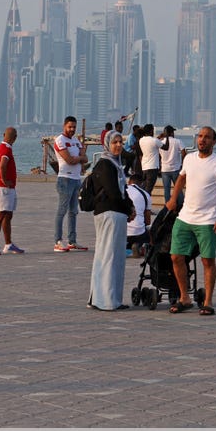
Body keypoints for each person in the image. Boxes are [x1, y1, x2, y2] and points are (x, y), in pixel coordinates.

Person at [166, 126, 216, 316]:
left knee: (207, 260)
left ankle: (208, 301)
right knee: (175, 257)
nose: (202, 140)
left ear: (214, 141)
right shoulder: (189, 158)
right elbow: (181, 178)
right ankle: (184, 297)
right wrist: (173, 198)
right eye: (200, 136)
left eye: (207, 137)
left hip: (208, 220)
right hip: (185, 217)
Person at [87, 131, 136, 311]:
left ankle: (104, 297)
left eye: (120, 142)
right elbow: (114, 193)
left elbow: (122, 191)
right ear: (107, 144)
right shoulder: (105, 165)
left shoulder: (115, 164)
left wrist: (129, 207)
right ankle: (107, 300)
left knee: (110, 256)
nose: (118, 145)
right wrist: (127, 209)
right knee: (109, 257)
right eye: (114, 142)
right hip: (109, 214)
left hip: (116, 214)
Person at [53, 116, 90, 252]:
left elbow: (85, 158)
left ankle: (72, 241)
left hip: (76, 180)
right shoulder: (60, 140)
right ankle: (58, 241)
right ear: (64, 126)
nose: (72, 130)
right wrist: (78, 158)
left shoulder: (75, 140)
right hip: (65, 179)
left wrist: (79, 158)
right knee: (62, 210)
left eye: (74, 127)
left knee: (74, 211)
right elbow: (69, 160)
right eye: (70, 127)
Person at [0, 127, 25, 256]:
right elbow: (3, 165)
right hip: (3, 188)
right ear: (15, 138)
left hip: (8, 188)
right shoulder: (5, 149)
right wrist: (5, 180)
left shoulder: (5, 148)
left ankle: (8, 244)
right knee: (1, 215)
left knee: (8, 215)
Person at [125, 171, 153, 258]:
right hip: (138, 232)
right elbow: (147, 220)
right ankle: (138, 245)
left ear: (129, 182)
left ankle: (126, 247)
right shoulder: (145, 195)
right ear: (141, 184)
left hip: (122, 232)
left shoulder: (123, 190)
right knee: (148, 232)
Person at [159, 125, 186, 203]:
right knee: (178, 188)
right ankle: (181, 205)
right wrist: (182, 164)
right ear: (171, 133)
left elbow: (158, 155)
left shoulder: (161, 143)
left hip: (164, 169)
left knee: (166, 190)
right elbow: (184, 153)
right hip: (175, 168)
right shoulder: (178, 141)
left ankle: (167, 206)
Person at [138, 123, 161, 194]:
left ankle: (140, 200)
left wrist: (159, 138)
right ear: (151, 131)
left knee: (144, 187)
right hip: (153, 167)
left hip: (144, 167)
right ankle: (145, 202)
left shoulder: (141, 140)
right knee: (148, 189)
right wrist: (166, 137)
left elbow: (152, 142)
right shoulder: (154, 140)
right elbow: (166, 147)